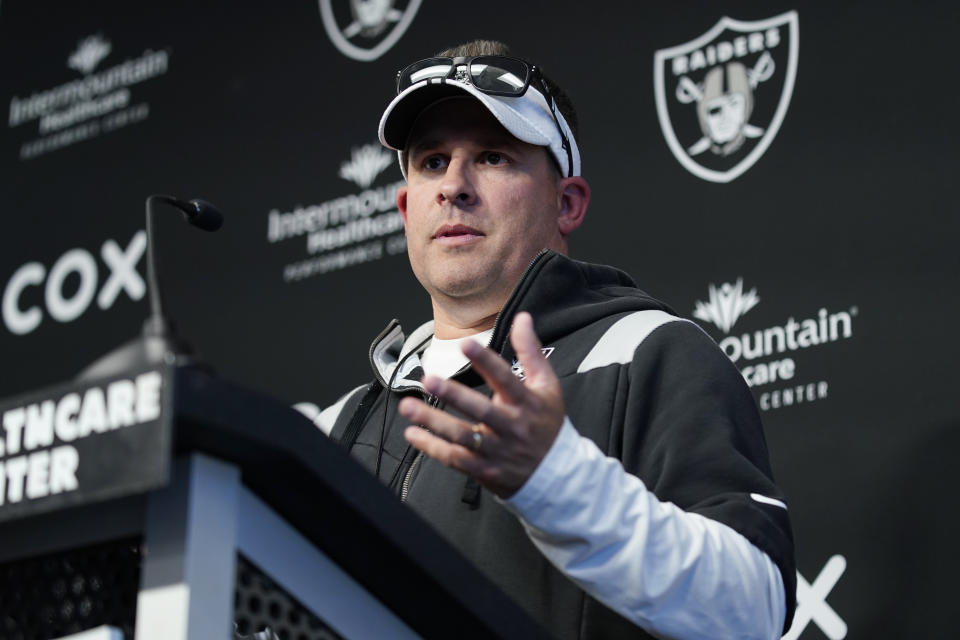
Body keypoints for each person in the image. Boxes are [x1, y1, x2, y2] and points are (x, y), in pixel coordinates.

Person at [316, 40, 795, 640]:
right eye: (432, 161)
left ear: (566, 202)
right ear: (406, 206)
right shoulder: (341, 426)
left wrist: (559, 484)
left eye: (493, 157)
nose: (454, 186)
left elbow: (755, 608)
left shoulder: (647, 352)